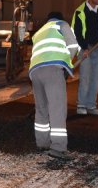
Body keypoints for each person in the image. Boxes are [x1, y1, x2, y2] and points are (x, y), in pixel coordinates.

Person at [29, 11, 80, 161]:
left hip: (35, 72)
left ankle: (42, 142)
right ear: (60, 18)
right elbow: (73, 46)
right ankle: (58, 147)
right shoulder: (61, 24)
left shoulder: (39, 32)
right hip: (52, 70)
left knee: (41, 109)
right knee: (57, 108)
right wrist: (66, 65)